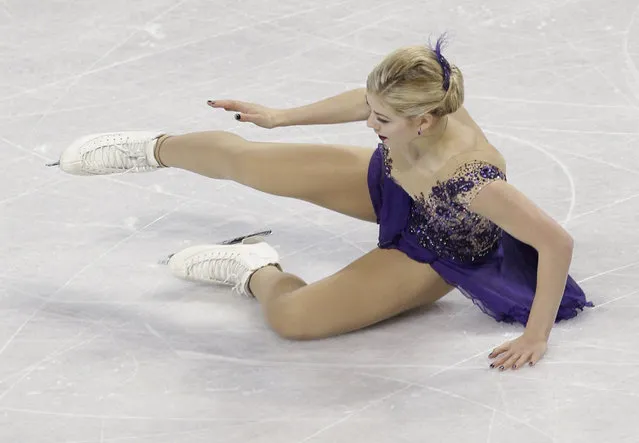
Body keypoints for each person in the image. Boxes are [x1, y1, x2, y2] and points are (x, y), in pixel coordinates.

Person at [51, 36, 593, 371]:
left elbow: (555, 242)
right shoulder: (422, 88)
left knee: (295, 319)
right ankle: (153, 149)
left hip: (435, 249)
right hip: (393, 184)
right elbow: (370, 100)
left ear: (424, 122)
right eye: (372, 109)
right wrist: (281, 117)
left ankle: (252, 266)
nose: (369, 121)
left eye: (380, 120)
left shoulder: (473, 179)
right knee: (250, 159)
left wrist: (535, 334)